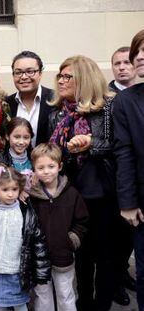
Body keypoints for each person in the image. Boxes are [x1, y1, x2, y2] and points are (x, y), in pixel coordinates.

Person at [48, 55, 116, 311]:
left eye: (68, 77)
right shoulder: (57, 115)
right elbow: (54, 155)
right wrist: (65, 150)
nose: (62, 81)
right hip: (72, 196)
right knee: (82, 255)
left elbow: (119, 146)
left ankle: (102, 304)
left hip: (103, 195)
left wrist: (91, 144)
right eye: (60, 76)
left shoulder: (108, 108)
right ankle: (85, 301)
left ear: (84, 80)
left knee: (105, 256)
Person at [0, 166, 50, 311]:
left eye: (14, 189)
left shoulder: (26, 213)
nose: (10, 194)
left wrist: (41, 271)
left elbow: (38, 243)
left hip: (18, 272)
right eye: (5, 190)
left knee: (20, 306)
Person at [29, 143, 88, 311]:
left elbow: (82, 221)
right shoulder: (32, 197)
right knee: (42, 295)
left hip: (63, 255)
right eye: (40, 167)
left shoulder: (71, 194)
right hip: (39, 258)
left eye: (51, 166)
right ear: (34, 169)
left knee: (65, 293)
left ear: (60, 166)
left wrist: (71, 240)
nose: (46, 171)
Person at [113, 29, 144, 311]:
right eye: (138, 52)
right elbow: (124, 153)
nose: (141, 56)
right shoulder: (125, 101)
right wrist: (129, 202)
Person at [110, 46, 137, 306]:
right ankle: (116, 281)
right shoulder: (109, 97)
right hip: (116, 181)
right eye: (116, 63)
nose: (121, 67)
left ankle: (125, 275)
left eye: (125, 62)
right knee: (118, 238)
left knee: (131, 238)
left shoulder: (138, 94)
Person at [6, 51, 54, 147]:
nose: (24, 77)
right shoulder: (6, 104)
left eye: (30, 72)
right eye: (18, 72)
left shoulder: (55, 100)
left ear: (40, 73)